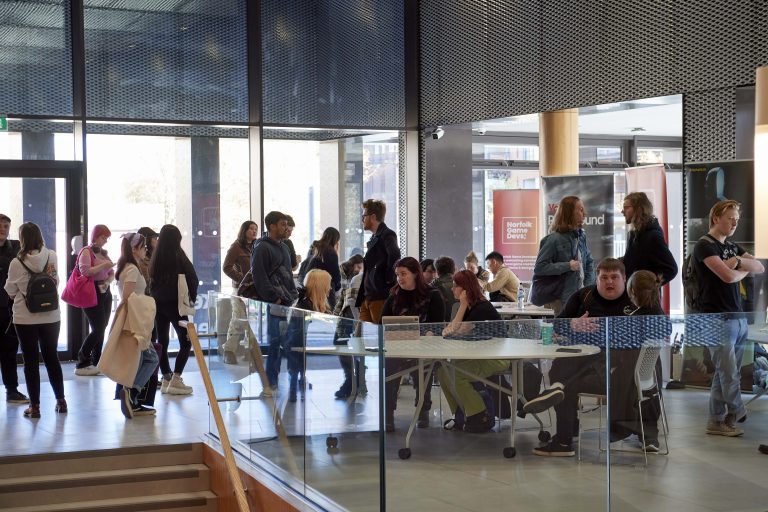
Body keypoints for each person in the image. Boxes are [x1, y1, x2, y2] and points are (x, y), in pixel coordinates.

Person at [528, 259, 668, 456]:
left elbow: (662, 327)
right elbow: (556, 324)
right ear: (597, 278)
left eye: (614, 277)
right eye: (604, 277)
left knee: (567, 383)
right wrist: (572, 325)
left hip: (622, 368)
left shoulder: (637, 298)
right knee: (561, 365)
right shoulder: (582, 296)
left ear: (625, 279)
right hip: (587, 359)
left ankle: (647, 433)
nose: (609, 282)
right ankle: (565, 435)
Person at [693, 200, 764, 436]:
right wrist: (737, 268)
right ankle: (738, 410)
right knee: (728, 371)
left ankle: (716, 420)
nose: (734, 223)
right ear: (716, 218)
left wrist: (738, 262)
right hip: (716, 318)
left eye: (737, 219)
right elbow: (727, 277)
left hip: (737, 316)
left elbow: (759, 267)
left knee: (724, 373)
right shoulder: (705, 246)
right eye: (730, 218)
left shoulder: (733, 248)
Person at [4, 222, 65, 418]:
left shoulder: (16, 262)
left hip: (25, 318)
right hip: (52, 316)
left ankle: (35, 407)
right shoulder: (51, 255)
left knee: (30, 361)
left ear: (22, 239)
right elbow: (55, 282)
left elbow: (10, 291)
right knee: (52, 357)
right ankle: (61, 400)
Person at [381, 257, 445, 431]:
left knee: (423, 369)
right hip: (397, 347)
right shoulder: (394, 295)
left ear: (416, 274)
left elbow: (438, 326)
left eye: (403, 274)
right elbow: (383, 322)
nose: (400, 279)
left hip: (423, 348)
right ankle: (388, 413)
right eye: (397, 275)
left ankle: (423, 409)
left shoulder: (433, 295)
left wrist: (428, 333)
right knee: (390, 370)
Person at [438, 269, 505, 433]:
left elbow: (452, 331)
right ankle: (461, 413)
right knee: (442, 371)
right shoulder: (469, 306)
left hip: (498, 357)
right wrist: (462, 305)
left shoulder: (481, 308)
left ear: (466, 289)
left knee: (456, 374)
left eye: (456, 286)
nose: (453, 289)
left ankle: (479, 415)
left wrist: (461, 305)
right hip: (480, 356)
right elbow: (447, 331)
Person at [113, 233, 159, 418]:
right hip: (135, 321)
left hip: (133, 320)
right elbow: (128, 297)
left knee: (141, 358)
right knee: (149, 358)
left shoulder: (126, 266)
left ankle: (132, 396)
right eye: (142, 247)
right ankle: (132, 392)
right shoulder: (132, 269)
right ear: (134, 249)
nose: (145, 250)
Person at [149, 224, 198, 395]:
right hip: (177, 305)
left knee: (162, 341)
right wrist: (191, 298)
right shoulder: (179, 256)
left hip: (158, 304)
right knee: (186, 341)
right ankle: (176, 378)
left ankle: (166, 377)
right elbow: (192, 278)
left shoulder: (156, 258)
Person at [251, 211, 298, 389]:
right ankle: (271, 381)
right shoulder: (262, 247)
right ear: (271, 226)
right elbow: (259, 275)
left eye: (286, 224)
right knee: (275, 342)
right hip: (275, 304)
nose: (286, 227)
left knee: (288, 341)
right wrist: (274, 298)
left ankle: (291, 380)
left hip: (288, 302)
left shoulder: (284, 247)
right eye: (282, 224)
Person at [532, 196, 595, 315]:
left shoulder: (581, 237)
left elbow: (589, 262)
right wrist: (567, 266)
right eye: (580, 209)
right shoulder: (553, 239)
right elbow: (540, 267)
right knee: (560, 332)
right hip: (559, 299)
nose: (584, 213)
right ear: (570, 212)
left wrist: (588, 287)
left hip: (579, 297)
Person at [286, 269, 333, 402]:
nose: (330, 288)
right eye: (328, 284)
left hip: (299, 351)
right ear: (321, 287)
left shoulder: (304, 304)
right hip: (300, 350)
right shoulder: (303, 307)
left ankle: (296, 386)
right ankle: (294, 388)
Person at [74, 224, 115, 376]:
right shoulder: (86, 251)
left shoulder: (103, 253)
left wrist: (107, 282)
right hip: (91, 291)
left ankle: (97, 361)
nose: (105, 241)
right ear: (95, 236)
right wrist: (104, 265)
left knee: (101, 328)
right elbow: (85, 271)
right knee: (98, 328)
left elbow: (111, 273)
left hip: (104, 291)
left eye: (106, 238)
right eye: (103, 237)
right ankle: (82, 360)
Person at [356, 199, 401, 324]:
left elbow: (395, 256)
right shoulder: (375, 236)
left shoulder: (387, 234)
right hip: (368, 296)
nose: (362, 219)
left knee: (381, 336)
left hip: (379, 295)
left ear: (373, 217)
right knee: (361, 336)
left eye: (363, 216)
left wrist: (387, 279)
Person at [0, 214, 28, 404]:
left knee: (9, 350)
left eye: (6, 225)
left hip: (9, 309)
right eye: (0, 225)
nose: (2, 228)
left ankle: (12, 390)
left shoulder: (17, 247)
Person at [222, 220, 259, 363]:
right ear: (244, 230)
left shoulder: (257, 246)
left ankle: (250, 351)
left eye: (256, 229)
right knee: (238, 319)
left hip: (254, 290)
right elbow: (227, 267)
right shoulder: (236, 246)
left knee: (253, 321)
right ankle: (229, 350)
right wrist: (242, 278)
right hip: (239, 289)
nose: (254, 231)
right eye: (251, 229)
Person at [621, 192, 678, 284]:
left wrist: (647, 286)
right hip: (632, 295)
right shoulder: (633, 234)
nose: (622, 211)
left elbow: (671, 269)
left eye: (626, 207)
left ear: (638, 209)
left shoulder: (653, 236)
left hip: (646, 297)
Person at [333, 255, 364, 398]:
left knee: (344, 344)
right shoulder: (344, 274)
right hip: (347, 315)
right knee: (345, 345)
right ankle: (354, 380)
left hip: (349, 315)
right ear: (352, 264)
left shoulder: (356, 277)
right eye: (358, 267)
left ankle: (352, 381)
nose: (358, 270)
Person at [305, 227, 342, 308]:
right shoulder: (331, 252)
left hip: (310, 286)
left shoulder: (313, 248)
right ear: (335, 239)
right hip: (326, 288)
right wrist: (337, 286)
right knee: (328, 314)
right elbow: (336, 275)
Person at [432, 256, 457, 321]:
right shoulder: (462, 284)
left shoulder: (432, 287)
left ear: (437, 271)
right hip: (461, 324)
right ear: (454, 270)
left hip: (440, 325)